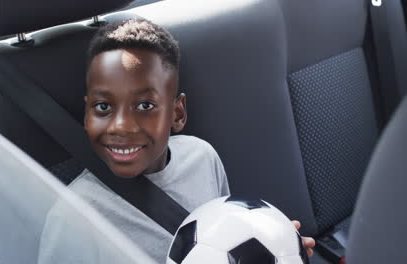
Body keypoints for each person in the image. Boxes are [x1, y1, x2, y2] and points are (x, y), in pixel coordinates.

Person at [38, 19, 314, 263]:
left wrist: (279, 248)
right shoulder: (71, 218)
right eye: (102, 107)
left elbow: (225, 237)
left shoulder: (202, 157)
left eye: (145, 106)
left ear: (177, 113)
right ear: (86, 114)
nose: (120, 126)